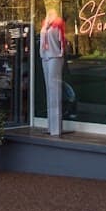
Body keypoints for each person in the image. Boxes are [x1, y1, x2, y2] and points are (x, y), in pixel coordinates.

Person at [39, 7, 67, 136]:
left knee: (55, 90)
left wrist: (62, 52)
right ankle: (50, 126)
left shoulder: (58, 23)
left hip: (55, 56)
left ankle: (56, 128)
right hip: (45, 56)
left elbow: (62, 40)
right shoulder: (45, 23)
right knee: (48, 90)